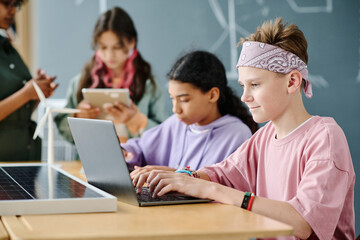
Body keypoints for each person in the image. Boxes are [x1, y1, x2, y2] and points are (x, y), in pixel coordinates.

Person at [142, 19, 355, 239]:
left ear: (292, 82)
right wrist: (183, 177)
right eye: (243, 86)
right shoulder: (263, 137)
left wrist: (211, 190)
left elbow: (302, 223)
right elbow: (222, 175)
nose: (245, 96)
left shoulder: (325, 137)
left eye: (255, 84)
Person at [127, 50, 258, 190]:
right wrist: (126, 152)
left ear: (212, 95)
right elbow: (141, 148)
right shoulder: (176, 123)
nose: (176, 109)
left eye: (184, 100)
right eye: (172, 99)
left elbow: (222, 186)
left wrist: (173, 175)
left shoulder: (236, 134)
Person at [55, 7, 167, 143]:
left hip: (136, 161)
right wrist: (77, 116)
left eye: (117, 47)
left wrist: (137, 121)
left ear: (132, 42)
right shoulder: (80, 82)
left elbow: (164, 136)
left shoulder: (149, 85)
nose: (109, 55)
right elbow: (62, 126)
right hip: (90, 159)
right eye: (103, 47)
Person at [0, 0, 57, 161]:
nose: (13, 11)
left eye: (15, 5)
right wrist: (26, 94)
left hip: (24, 157)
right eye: (6, 4)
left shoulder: (8, 48)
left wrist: (37, 94)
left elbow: (16, 113)